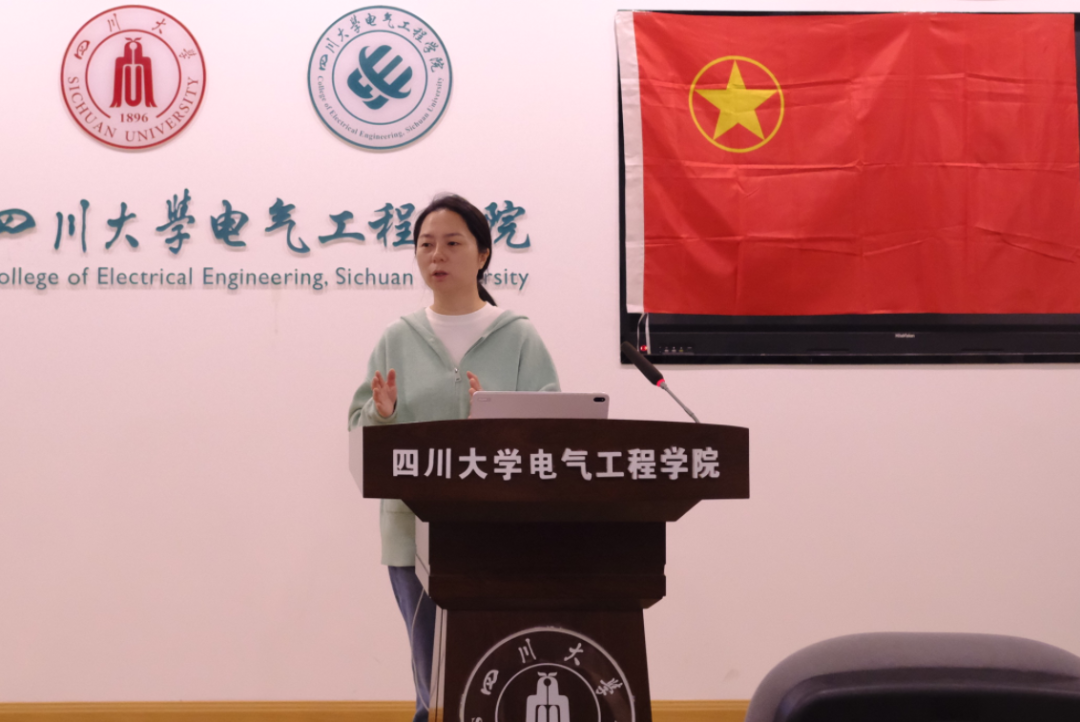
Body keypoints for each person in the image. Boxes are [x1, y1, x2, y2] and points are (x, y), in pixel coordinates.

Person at [347, 194, 559, 722]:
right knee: (434, 679)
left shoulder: (519, 336)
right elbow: (359, 435)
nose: (436, 255)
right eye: (425, 245)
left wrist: (501, 418)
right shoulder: (397, 338)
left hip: (499, 530)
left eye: (452, 243)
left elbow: (554, 431)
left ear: (483, 254)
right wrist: (383, 414)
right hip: (411, 530)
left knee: (495, 669)